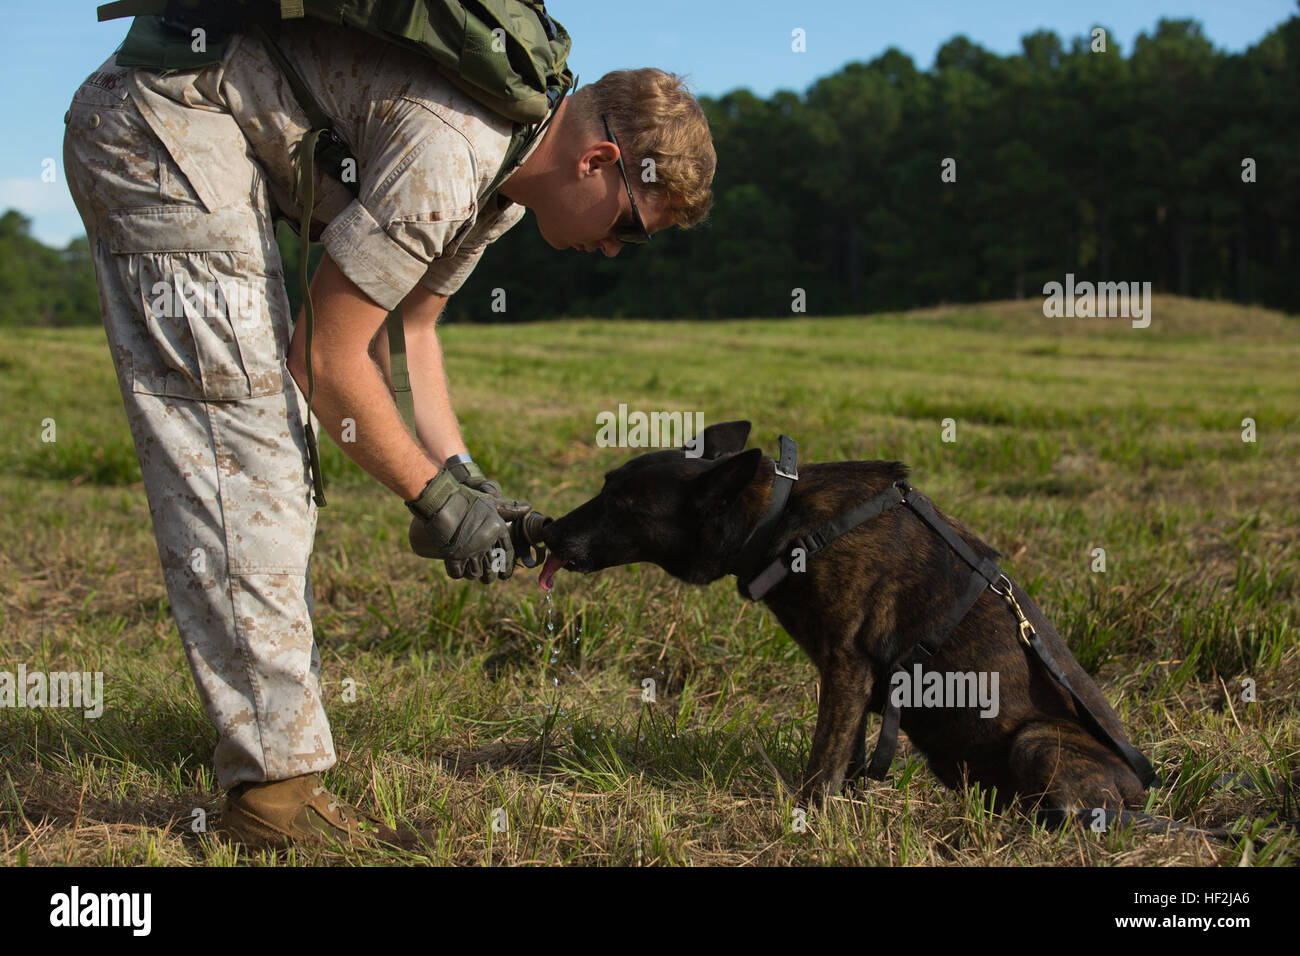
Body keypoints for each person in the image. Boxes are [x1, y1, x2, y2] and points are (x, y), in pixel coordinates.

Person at [62, 15, 716, 849]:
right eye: (630, 225)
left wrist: (464, 478)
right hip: (156, 124)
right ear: (598, 162)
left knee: (270, 451)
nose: (617, 251)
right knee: (247, 450)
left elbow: (412, 333)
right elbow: (328, 362)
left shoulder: (503, 184)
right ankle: (275, 799)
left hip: (212, 130)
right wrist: (433, 499)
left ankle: (268, 755)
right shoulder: (452, 158)